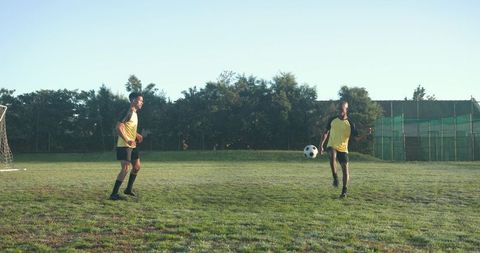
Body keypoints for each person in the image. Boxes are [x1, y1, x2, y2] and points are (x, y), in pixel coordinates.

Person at [319, 101, 371, 198]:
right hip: (332, 145)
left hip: (343, 149)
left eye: (341, 109)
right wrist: (321, 145)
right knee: (332, 154)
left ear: (346, 110)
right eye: (338, 109)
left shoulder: (350, 124)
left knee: (345, 171)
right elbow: (325, 132)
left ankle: (344, 191)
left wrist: (366, 134)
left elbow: (356, 138)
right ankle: (335, 177)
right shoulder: (332, 120)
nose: (339, 111)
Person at [109, 92, 144, 200]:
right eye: (140, 100)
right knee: (125, 168)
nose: (142, 102)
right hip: (124, 145)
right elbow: (119, 127)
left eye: (142, 101)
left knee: (137, 167)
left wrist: (136, 134)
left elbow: (127, 127)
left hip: (132, 145)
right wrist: (128, 139)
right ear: (133, 100)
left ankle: (128, 189)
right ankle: (113, 194)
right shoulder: (128, 111)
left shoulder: (135, 113)